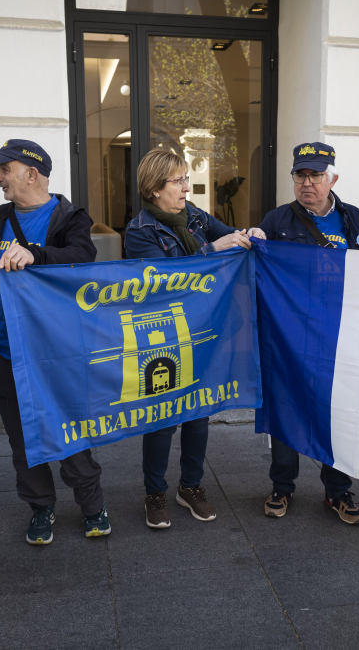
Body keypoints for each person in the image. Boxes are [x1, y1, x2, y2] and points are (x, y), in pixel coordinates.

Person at [0, 139, 110, 545]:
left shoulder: (70, 216)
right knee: (21, 435)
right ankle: (40, 507)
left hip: (55, 351)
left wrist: (35, 253)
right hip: (6, 349)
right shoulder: (0, 216)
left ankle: (92, 505)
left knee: (69, 427)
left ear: (31, 174)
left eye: (4, 170)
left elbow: (81, 257)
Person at [124, 149, 263, 528]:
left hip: (203, 330)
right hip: (162, 334)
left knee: (198, 412)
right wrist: (210, 250)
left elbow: (228, 236)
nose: (187, 187)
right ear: (154, 189)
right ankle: (154, 492)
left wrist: (249, 234)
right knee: (162, 417)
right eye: (178, 181)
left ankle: (191, 486)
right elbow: (160, 282)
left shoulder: (196, 217)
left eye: (186, 179)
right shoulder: (139, 232)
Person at [256, 142, 359, 525]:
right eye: (300, 175)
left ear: (332, 178)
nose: (307, 183)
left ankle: (338, 491)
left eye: (315, 175)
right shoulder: (277, 222)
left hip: (337, 337)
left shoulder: (354, 220)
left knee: (335, 414)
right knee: (286, 408)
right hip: (288, 335)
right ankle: (281, 487)